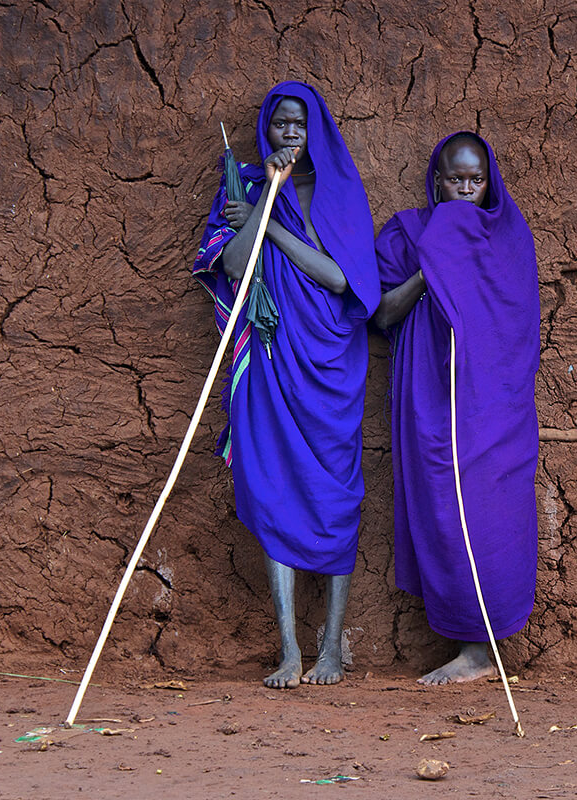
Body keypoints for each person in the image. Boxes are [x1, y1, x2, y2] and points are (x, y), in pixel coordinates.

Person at [192, 81, 379, 688]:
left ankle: (330, 648)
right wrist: (260, 201)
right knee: (273, 485)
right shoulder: (244, 187)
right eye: (281, 125)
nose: (291, 134)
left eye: (301, 124)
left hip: (328, 365)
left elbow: (338, 279)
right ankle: (290, 651)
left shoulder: (338, 194)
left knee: (334, 497)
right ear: (266, 131)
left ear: (316, 130)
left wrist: (271, 222)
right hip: (271, 359)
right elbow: (234, 267)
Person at [373, 132, 540, 684]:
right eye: (454, 180)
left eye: (476, 180)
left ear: (489, 182)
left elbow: (516, 325)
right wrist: (432, 266)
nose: (465, 190)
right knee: (444, 507)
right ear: (436, 180)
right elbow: (382, 316)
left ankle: (483, 653)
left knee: (491, 512)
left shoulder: (509, 239)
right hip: (430, 398)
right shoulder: (409, 234)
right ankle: (467, 645)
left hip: (492, 403)